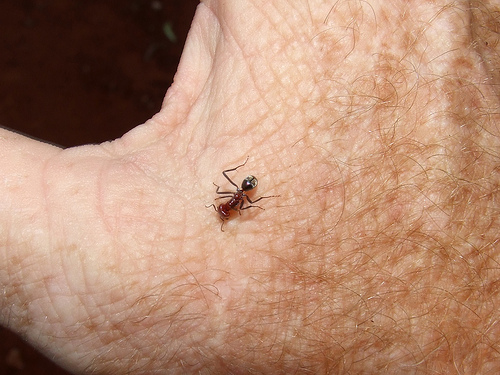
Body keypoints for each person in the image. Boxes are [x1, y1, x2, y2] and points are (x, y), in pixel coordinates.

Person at [1, 0, 499, 373]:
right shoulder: (232, 200)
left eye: (229, 205)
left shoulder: (237, 198)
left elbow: (236, 197)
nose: (229, 206)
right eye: (228, 206)